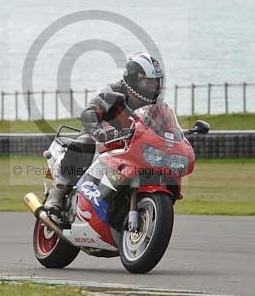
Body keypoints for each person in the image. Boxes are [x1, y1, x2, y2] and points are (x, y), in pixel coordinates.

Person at [43, 51, 165, 214]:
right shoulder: (113, 91)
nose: (154, 86)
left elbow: (163, 126)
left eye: (156, 82)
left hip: (131, 144)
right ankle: (57, 194)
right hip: (101, 139)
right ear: (134, 79)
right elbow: (90, 112)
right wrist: (97, 131)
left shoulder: (156, 104)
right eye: (149, 82)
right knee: (85, 143)